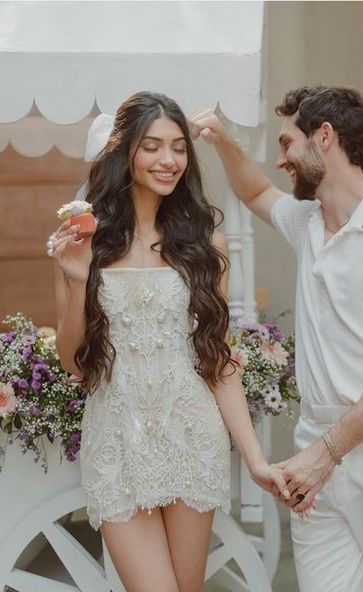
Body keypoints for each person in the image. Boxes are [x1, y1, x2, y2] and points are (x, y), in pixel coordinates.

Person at [189, 85, 363, 592]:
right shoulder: (307, 221)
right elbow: (255, 192)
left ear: (324, 137)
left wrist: (325, 454)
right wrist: (221, 140)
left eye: (287, 144)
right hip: (317, 448)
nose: (282, 159)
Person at [48, 91, 288, 592]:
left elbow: (217, 362)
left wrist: (256, 460)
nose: (168, 160)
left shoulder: (205, 245)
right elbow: (74, 363)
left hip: (192, 439)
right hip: (116, 442)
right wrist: (75, 279)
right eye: (153, 146)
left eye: (178, 147)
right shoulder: (80, 242)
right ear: (125, 152)